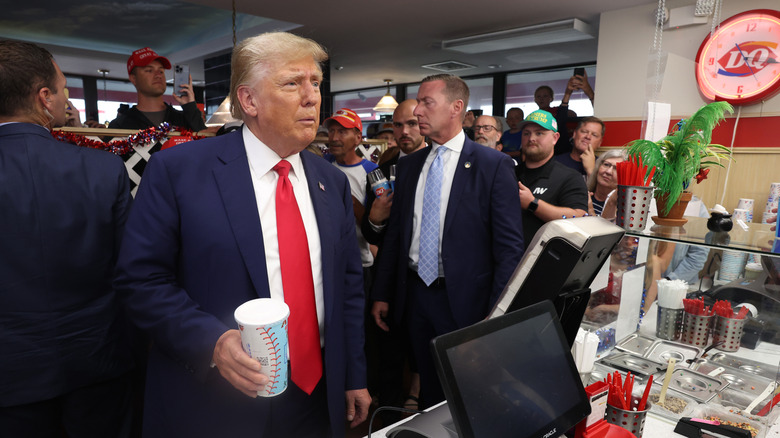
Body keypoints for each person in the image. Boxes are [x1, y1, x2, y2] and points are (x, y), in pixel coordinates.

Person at [113, 32, 370, 437]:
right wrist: (210, 342)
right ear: (248, 101)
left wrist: (353, 373)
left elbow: (348, 286)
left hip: (316, 395)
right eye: (292, 83)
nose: (312, 98)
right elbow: (140, 280)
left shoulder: (329, 181)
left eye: (316, 83)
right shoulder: (179, 171)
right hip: (217, 401)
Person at [0, 40, 134, 437]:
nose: (65, 98)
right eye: (62, 89)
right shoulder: (102, 169)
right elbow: (130, 270)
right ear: (44, 98)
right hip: (100, 364)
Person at [371, 74, 525, 409]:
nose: (419, 110)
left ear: (457, 107)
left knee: (470, 390)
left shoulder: (493, 165)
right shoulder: (409, 165)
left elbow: (509, 248)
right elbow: (396, 233)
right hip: (414, 294)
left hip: (467, 301)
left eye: (427, 102)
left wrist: (496, 312)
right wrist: (382, 292)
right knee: (428, 383)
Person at [516, 110, 588, 242]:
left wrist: (533, 204)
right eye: (526, 133)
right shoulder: (509, 173)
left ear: (555, 138)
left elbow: (579, 217)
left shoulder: (570, 177)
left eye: (539, 133)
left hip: (543, 258)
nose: (531, 138)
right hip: (506, 256)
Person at [325, 108, 378, 276]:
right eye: (331, 131)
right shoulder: (322, 165)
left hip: (359, 263)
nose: (334, 138)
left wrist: (351, 203)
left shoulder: (372, 172)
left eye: (342, 132)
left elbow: (377, 223)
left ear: (358, 138)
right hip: (328, 260)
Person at [108, 47, 206, 132]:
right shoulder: (120, 125)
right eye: (149, 70)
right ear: (134, 79)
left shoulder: (184, 119)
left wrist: (190, 106)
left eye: (161, 71)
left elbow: (204, 146)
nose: (158, 75)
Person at [586, 149, 626, 218]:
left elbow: (605, 228)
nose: (608, 171)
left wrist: (590, 210)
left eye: (616, 169)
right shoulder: (583, 196)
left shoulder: (622, 211)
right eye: (606, 164)